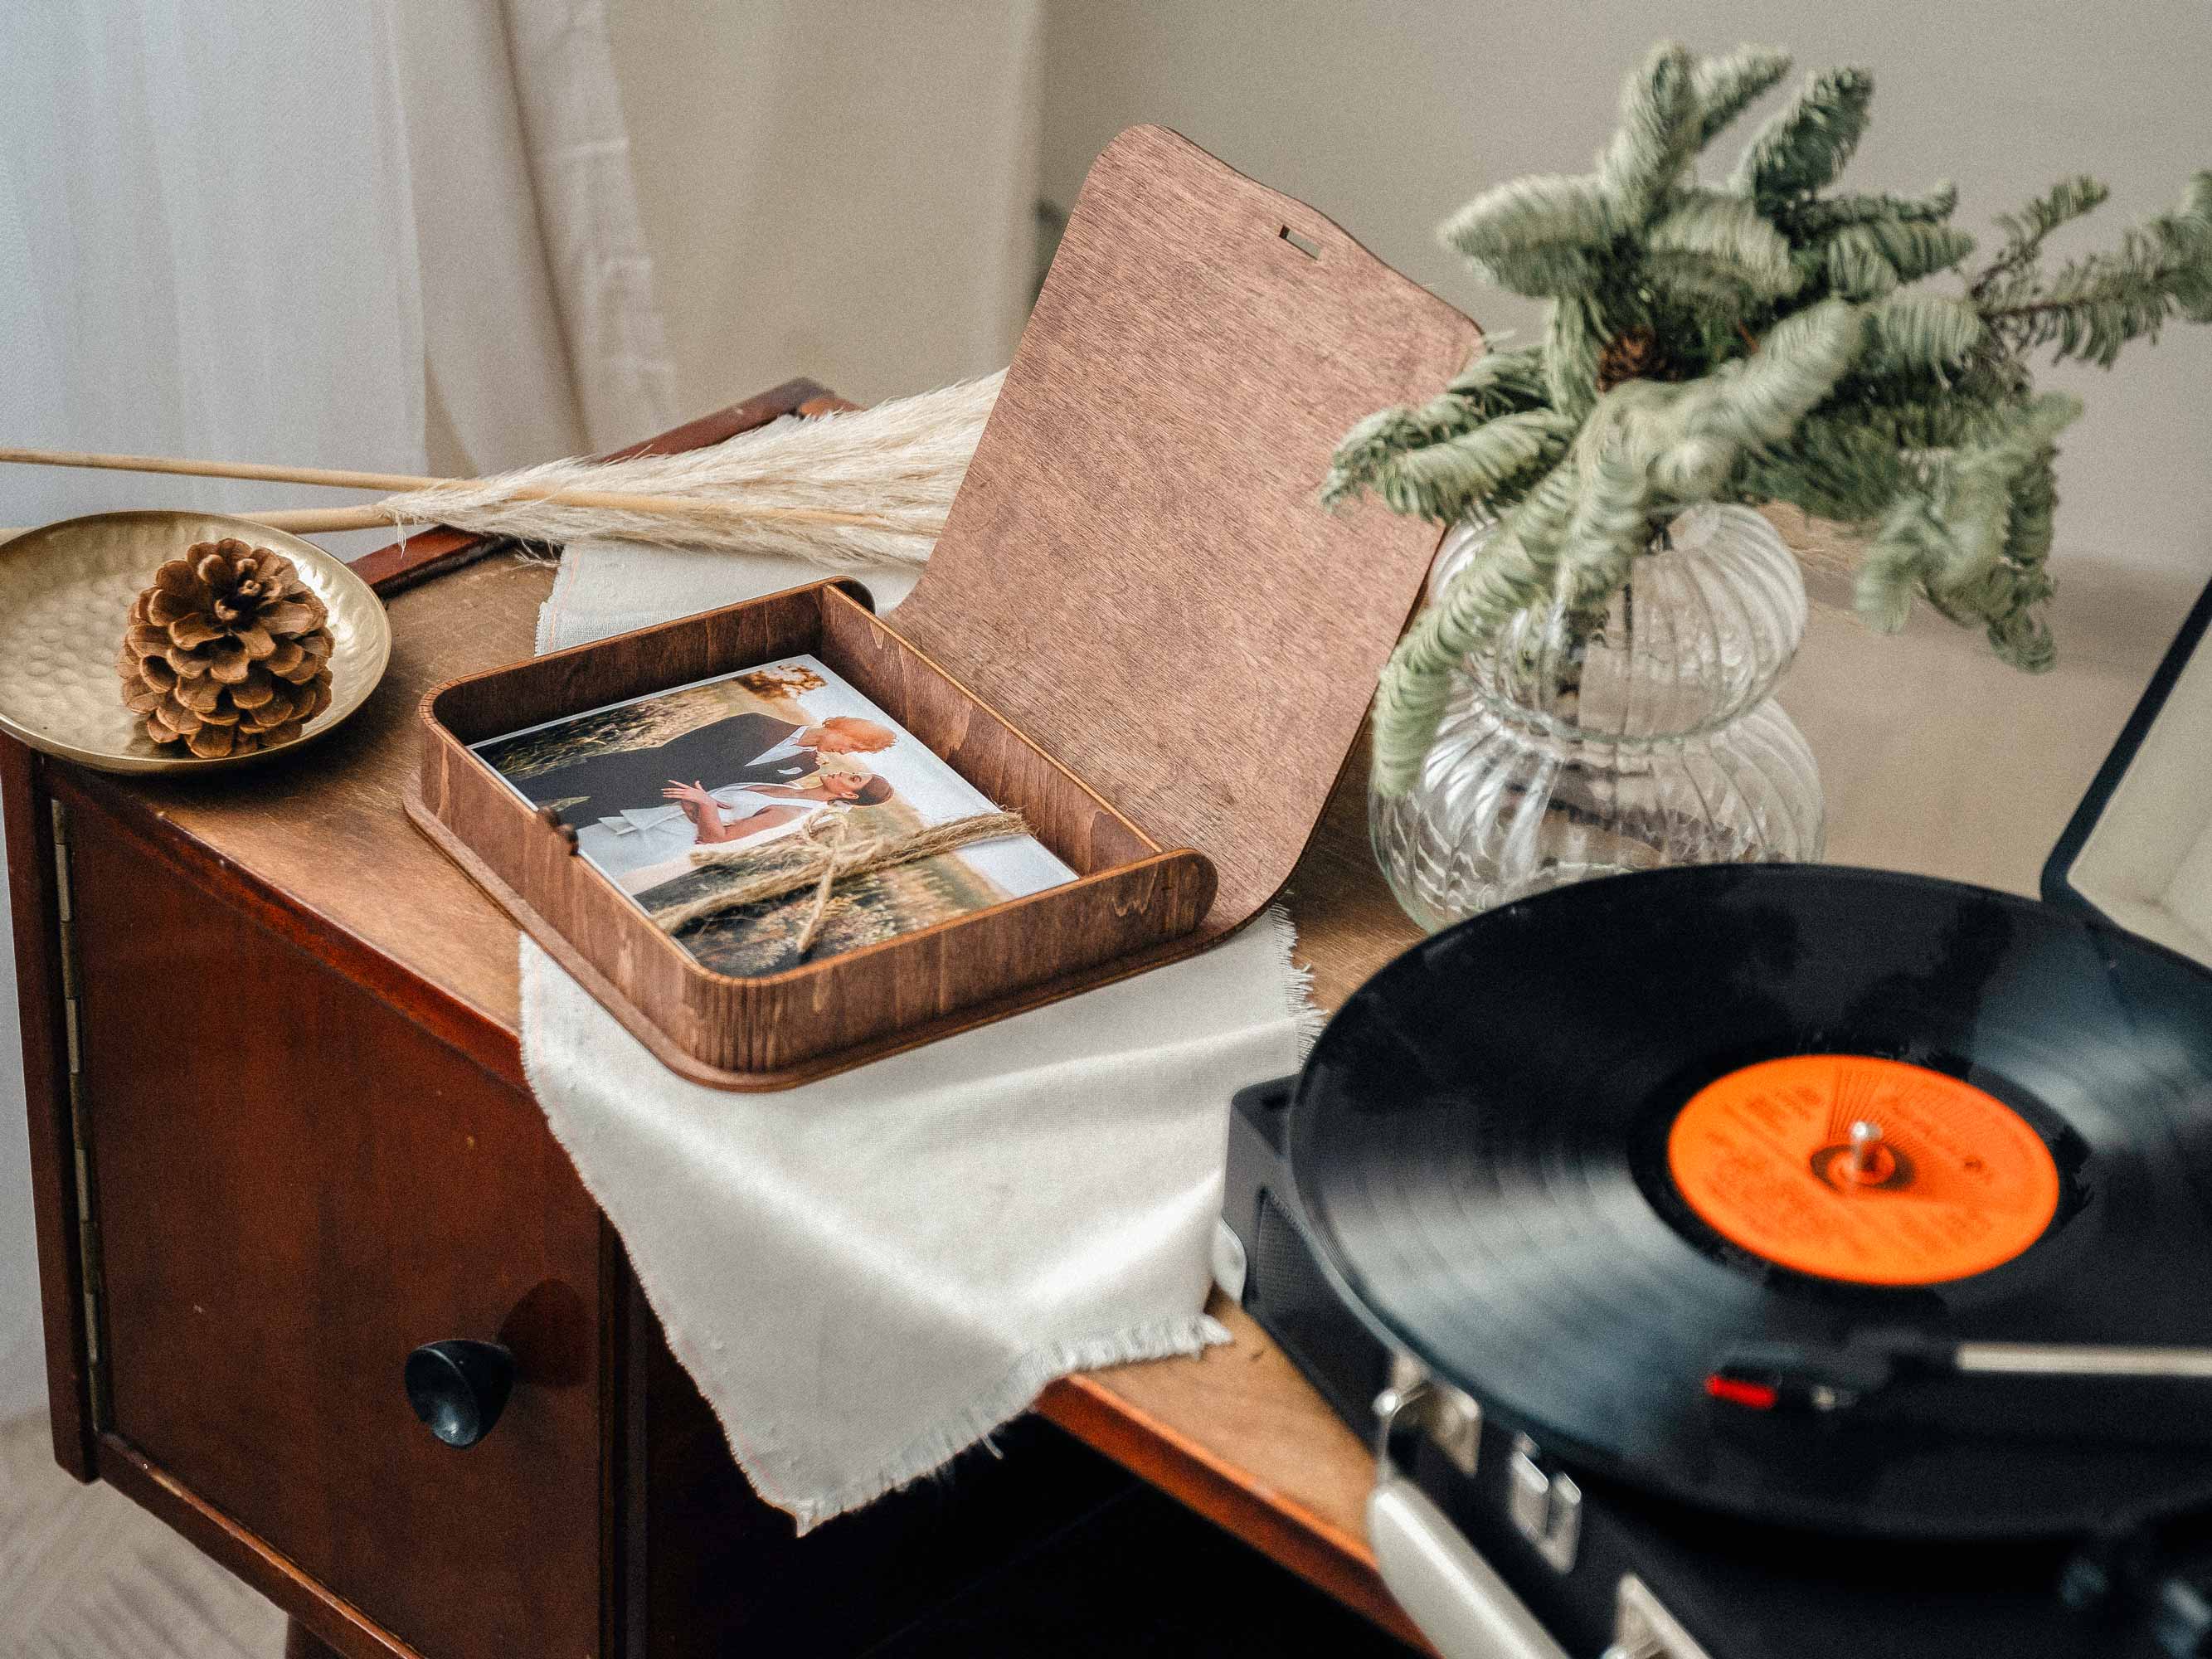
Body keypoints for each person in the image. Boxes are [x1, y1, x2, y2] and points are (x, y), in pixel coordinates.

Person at [520, 711, 895, 824]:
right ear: (838, 726)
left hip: (653, 803)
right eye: (853, 742)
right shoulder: (757, 722)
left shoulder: (802, 767)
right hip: (631, 772)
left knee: (564, 826)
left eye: (858, 751)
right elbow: (685, 751)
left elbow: (732, 791)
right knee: (527, 790)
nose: (849, 751)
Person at [579, 770, 894, 894]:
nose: (844, 771)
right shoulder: (789, 788)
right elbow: (719, 808)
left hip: (653, 844)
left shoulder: (794, 813)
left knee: (575, 862)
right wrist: (699, 804)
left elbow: (719, 839)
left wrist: (703, 803)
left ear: (850, 796)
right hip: (645, 823)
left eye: (853, 779)